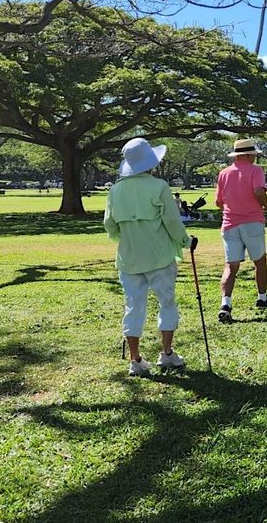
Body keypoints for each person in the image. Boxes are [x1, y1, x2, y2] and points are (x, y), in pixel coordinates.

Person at [103, 137, 189, 377]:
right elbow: (172, 222)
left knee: (133, 306)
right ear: (151, 162)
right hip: (159, 257)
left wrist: (125, 236)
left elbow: (109, 225)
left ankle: (135, 359)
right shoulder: (159, 187)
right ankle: (167, 353)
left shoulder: (115, 190)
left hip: (129, 259)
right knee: (167, 302)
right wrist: (186, 241)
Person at [215, 138, 267, 323]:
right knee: (260, 262)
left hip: (229, 224)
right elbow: (259, 191)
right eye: (254, 155)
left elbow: (218, 202)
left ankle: (225, 304)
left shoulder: (224, 173)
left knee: (230, 266)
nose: (256, 158)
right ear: (249, 155)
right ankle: (262, 298)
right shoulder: (256, 170)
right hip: (252, 222)